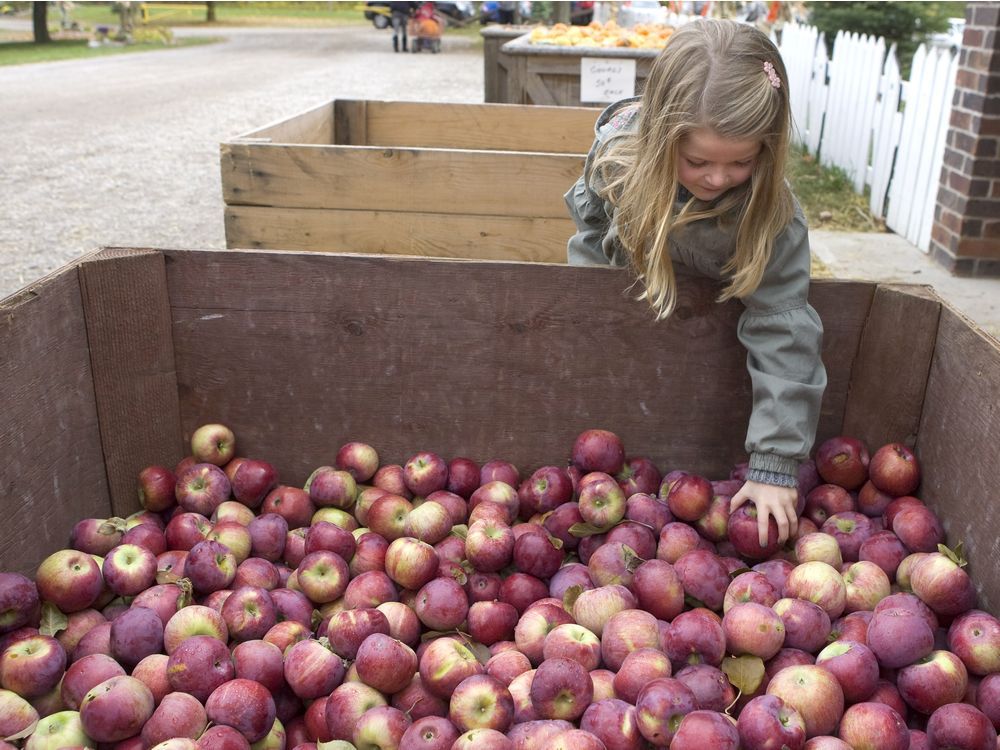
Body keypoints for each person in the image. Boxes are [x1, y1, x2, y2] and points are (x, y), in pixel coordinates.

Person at [564, 18, 827, 548]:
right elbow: (592, 240)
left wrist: (774, 464)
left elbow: (783, 326)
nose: (715, 178)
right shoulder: (619, 163)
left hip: (714, 364)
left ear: (768, 151)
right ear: (662, 137)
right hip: (640, 340)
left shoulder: (770, 219)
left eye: (742, 162)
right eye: (697, 161)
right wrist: (589, 343)